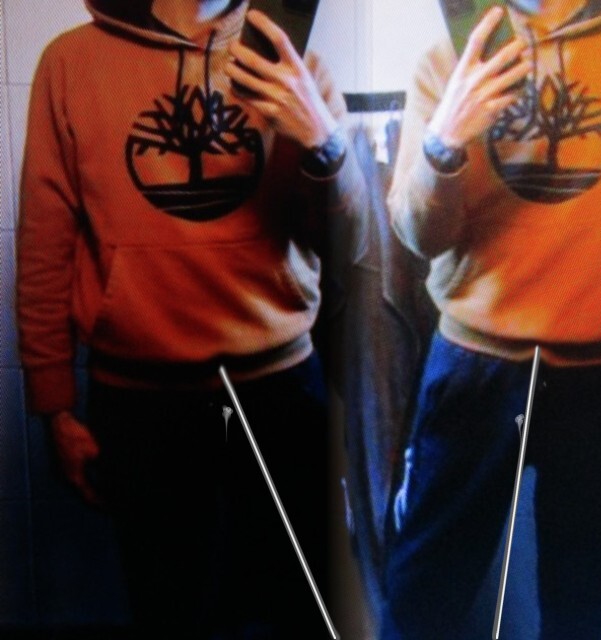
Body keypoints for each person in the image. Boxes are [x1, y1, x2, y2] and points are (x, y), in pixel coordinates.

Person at [16, 0, 364, 637]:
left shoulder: (293, 63)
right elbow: (45, 244)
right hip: (141, 402)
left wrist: (323, 144)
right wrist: (53, 405)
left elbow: (352, 244)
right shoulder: (71, 64)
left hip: (281, 393)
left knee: (305, 609)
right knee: (170, 613)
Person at [382, 1, 601, 638]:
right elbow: (418, 236)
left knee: (579, 616)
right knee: (419, 606)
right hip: (474, 371)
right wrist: (443, 144)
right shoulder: (453, 55)